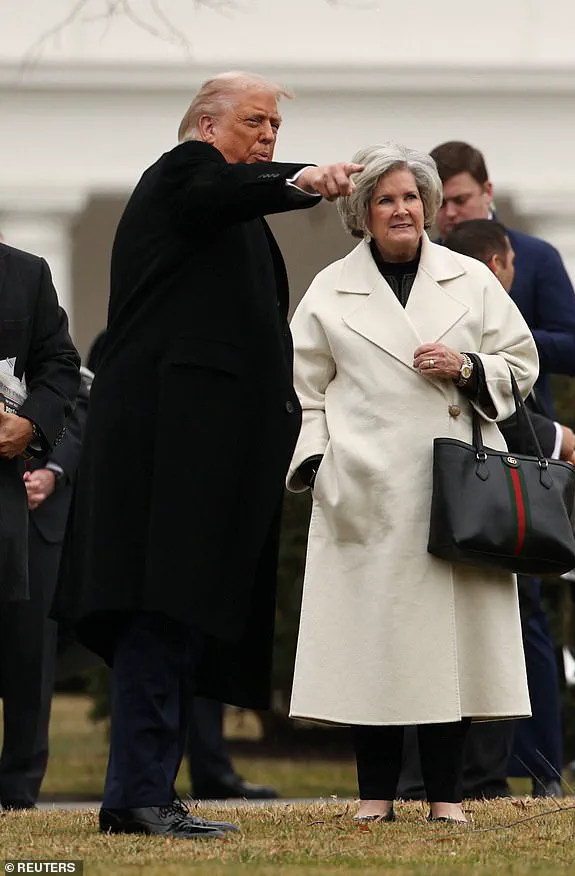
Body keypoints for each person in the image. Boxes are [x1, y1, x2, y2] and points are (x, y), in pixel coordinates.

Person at [52, 71, 363, 840]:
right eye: (255, 122)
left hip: (192, 458)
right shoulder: (182, 174)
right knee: (160, 617)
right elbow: (220, 192)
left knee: (177, 621)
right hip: (167, 456)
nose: (267, 136)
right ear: (205, 125)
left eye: (276, 130)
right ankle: (136, 800)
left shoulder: (216, 203)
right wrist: (300, 180)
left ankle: (147, 790)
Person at [286, 143, 539, 824]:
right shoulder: (328, 290)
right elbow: (304, 391)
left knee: (445, 647)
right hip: (363, 489)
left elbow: (522, 366)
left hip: (451, 487)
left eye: (410, 198)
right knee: (376, 646)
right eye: (385, 198)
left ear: (428, 208)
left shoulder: (470, 280)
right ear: (362, 212)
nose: (401, 209)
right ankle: (374, 796)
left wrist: (464, 366)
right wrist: (318, 461)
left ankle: (447, 799)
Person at [87, 330, 277, 803]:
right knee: (152, 648)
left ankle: (207, 771)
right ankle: (145, 782)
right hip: (144, 528)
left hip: (191, 511)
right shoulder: (124, 342)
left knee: (194, 643)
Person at [441, 219, 575, 799]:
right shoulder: (474, 307)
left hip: (459, 491)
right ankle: (481, 776)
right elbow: (499, 395)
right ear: (496, 266)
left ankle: (468, 774)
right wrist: (556, 441)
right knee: (496, 626)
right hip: (486, 494)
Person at [0, 237, 80, 806]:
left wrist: (30, 426)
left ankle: (16, 789)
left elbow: (60, 366)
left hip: (8, 499)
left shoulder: (26, 274)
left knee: (26, 654)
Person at [429, 141, 575, 417]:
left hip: (522, 429)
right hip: (442, 422)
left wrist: (503, 339)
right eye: (440, 203)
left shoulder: (536, 255)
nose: (450, 213)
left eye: (460, 200)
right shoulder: (425, 260)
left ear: (487, 192)